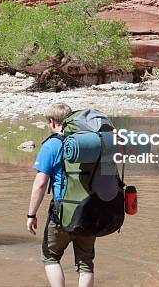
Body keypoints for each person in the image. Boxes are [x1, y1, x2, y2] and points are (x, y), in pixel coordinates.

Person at [27, 103, 96, 287]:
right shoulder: (86, 143)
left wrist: (31, 214)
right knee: (85, 263)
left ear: (52, 121)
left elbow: (41, 184)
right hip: (90, 210)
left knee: (50, 257)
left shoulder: (51, 145)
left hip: (63, 212)